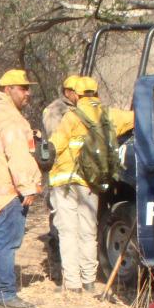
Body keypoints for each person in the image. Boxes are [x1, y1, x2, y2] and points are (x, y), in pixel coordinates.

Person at [0, 70, 42, 308]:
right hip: (10, 192)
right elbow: (18, 154)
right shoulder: (11, 117)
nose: (27, 93)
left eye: (28, 88)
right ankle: (5, 293)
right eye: (22, 88)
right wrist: (28, 187)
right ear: (7, 89)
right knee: (7, 243)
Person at [46, 77, 108, 294]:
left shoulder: (71, 116)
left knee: (68, 232)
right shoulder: (108, 115)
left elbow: (55, 144)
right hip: (91, 181)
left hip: (65, 181)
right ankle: (89, 281)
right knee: (88, 231)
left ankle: (73, 284)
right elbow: (135, 118)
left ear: (77, 95)